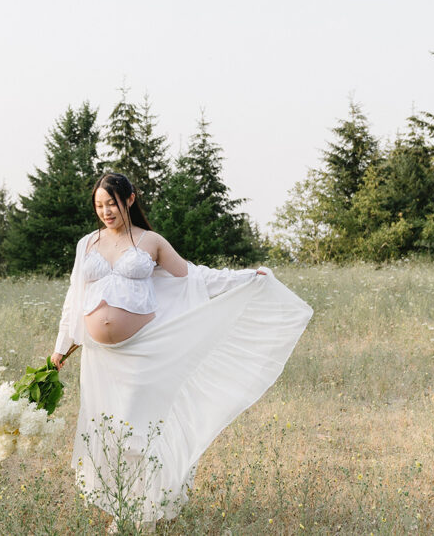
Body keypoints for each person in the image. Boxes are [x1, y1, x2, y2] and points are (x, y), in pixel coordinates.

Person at [50, 172, 313, 531]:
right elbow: (74, 297)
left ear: (129, 199)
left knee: (136, 427)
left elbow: (192, 277)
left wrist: (245, 277)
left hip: (144, 352)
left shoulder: (151, 241)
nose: (105, 211)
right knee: (107, 429)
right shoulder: (87, 244)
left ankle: (142, 510)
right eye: (98, 205)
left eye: (111, 203)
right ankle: (120, 507)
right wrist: (61, 347)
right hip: (102, 359)